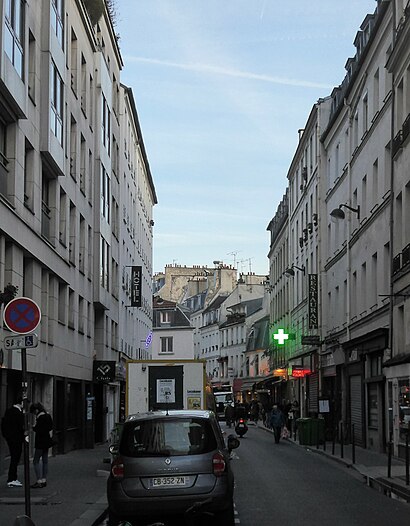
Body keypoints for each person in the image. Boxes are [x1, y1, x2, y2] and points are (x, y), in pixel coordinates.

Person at [1, 395, 25, 488]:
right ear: (21, 403)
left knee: (14, 458)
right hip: (16, 439)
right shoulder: (18, 413)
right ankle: (12, 479)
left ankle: (13, 478)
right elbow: (21, 426)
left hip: (11, 438)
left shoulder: (9, 411)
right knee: (15, 458)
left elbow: (4, 424)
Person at [29, 402, 53, 488]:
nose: (34, 414)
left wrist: (33, 427)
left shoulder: (40, 418)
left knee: (36, 461)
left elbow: (38, 429)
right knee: (45, 460)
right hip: (47, 441)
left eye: (34, 412)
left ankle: (39, 480)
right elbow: (50, 427)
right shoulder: (48, 415)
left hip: (40, 441)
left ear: (36, 410)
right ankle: (44, 479)